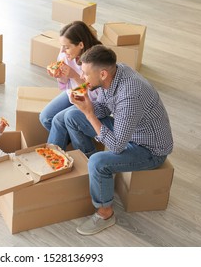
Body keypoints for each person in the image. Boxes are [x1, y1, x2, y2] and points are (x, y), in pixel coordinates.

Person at [51, 45, 174, 235]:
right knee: (71, 115)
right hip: (129, 132)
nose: (81, 78)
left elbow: (117, 145)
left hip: (149, 149)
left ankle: (105, 213)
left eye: (84, 74)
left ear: (102, 74)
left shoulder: (130, 94)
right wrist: (87, 107)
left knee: (99, 161)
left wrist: (89, 113)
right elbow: (102, 107)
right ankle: (91, 170)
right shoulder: (114, 73)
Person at [39, 21, 102, 150]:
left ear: (80, 45)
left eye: (66, 47)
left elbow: (97, 95)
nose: (62, 50)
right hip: (72, 93)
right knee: (45, 117)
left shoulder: (96, 60)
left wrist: (74, 75)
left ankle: (61, 152)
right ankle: (73, 135)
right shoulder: (65, 54)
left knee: (58, 120)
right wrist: (60, 76)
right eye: (61, 46)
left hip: (91, 100)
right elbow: (65, 84)